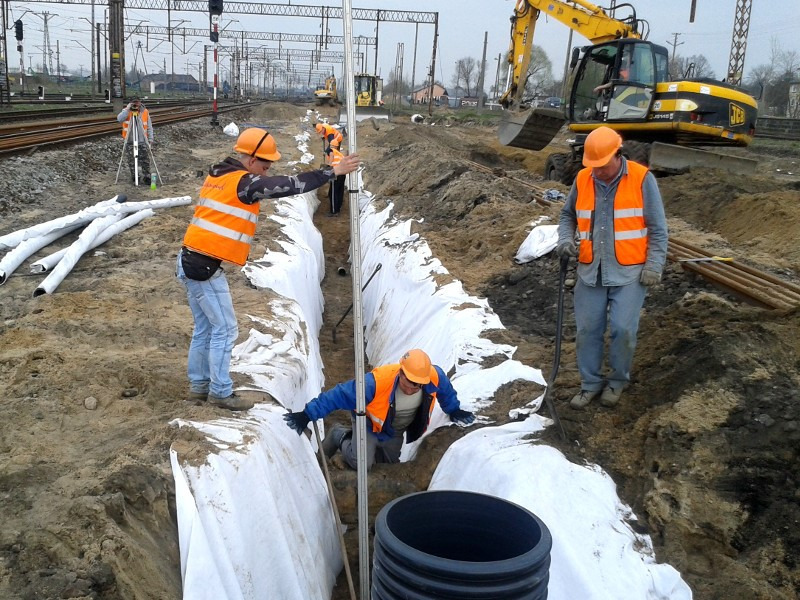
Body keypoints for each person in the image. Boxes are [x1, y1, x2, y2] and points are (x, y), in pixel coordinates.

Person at [177, 127, 360, 411]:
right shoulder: (244, 183)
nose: (267, 170)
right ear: (250, 159)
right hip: (202, 265)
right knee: (225, 329)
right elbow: (288, 184)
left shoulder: (220, 175)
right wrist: (331, 173)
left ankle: (199, 387)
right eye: (264, 164)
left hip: (192, 259)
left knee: (205, 328)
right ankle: (220, 392)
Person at [556, 126, 667, 410]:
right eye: (593, 167)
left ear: (618, 156)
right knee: (588, 330)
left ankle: (617, 381)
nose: (598, 172)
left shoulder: (643, 179)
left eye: (602, 166)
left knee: (623, 330)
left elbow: (658, 228)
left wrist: (654, 265)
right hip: (590, 270)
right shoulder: (583, 179)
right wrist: (566, 239)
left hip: (629, 272)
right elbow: (568, 214)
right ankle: (590, 384)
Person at [283, 349, 475, 470]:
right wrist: (308, 414)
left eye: (418, 385)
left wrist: (454, 409)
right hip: (369, 423)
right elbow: (338, 395)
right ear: (401, 371)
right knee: (362, 464)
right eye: (408, 382)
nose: (412, 388)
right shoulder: (375, 383)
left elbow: (446, 393)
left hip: (395, 429)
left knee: (387, 466)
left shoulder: (434, 377)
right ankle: (339, 435)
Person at [117, 96, 154, 185]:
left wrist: (150, 139)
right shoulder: (126, 111)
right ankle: (135, 176)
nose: (136, 104)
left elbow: (149, 126)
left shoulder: (144, 111)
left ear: (140, 102)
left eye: (137, 102)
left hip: (142, 140)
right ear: (130, 103)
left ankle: (147, 177)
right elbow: (119, 119)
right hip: (130, 140)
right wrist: (127, 109)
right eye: (134, 102)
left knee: (145, 159)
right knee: (131, 160)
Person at [325, 146, 347, 216]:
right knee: (339, 191)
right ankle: (338, 207)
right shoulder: (339, 153)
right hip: (343, 173)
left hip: (336, 173)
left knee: (333, 192)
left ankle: (334, 211)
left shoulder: (331, 151)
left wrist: (328, 166)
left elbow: (331, 159)